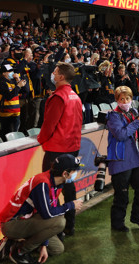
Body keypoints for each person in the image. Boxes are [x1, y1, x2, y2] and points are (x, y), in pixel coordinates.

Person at [0, 154, 84, 264]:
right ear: (65, 174)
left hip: (29, 220)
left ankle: (19, 243)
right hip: (12, 224)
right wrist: (71, 205)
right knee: (60, 222)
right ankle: (19, 252)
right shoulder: (42, 183)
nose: (76, 174)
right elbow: (47, 214)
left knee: (57, 249)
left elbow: (48, 214)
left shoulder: (57, 183)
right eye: (74, 171)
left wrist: (44, 245)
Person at [37, 62, 83, 237]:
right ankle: (69, 225)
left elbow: (49, 126)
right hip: (73, 148)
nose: (52, 74)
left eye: (55, 72)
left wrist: (41, 139)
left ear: (61, 77)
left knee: (50, 189)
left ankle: (54, 229)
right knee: (69, 187)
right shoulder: (75, 96)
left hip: (57, 150)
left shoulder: (58, 97)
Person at [106, 86, 139, 232]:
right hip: (120, 160)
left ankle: (138, 217)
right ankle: (117, 224)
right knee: (122, 196)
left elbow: (136, 136)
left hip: (135, 158)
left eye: (128, 98)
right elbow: (121, 135)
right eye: (122, 99)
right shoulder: (113, 116)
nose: (125, 101)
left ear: (132, 99)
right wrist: (137, 123)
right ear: (117, 100)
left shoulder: (134, 112)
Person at [0, 64, 25, 136]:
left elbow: (26, 91)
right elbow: (9, 96)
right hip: (6, 115)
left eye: (12, 70)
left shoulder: (14, 81)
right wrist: (18, 86)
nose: (12, 72)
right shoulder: (1, 83)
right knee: (8, 136)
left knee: (15, 134)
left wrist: (18, 80)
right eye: (9, 71)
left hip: (16, 114)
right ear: (3, 73)